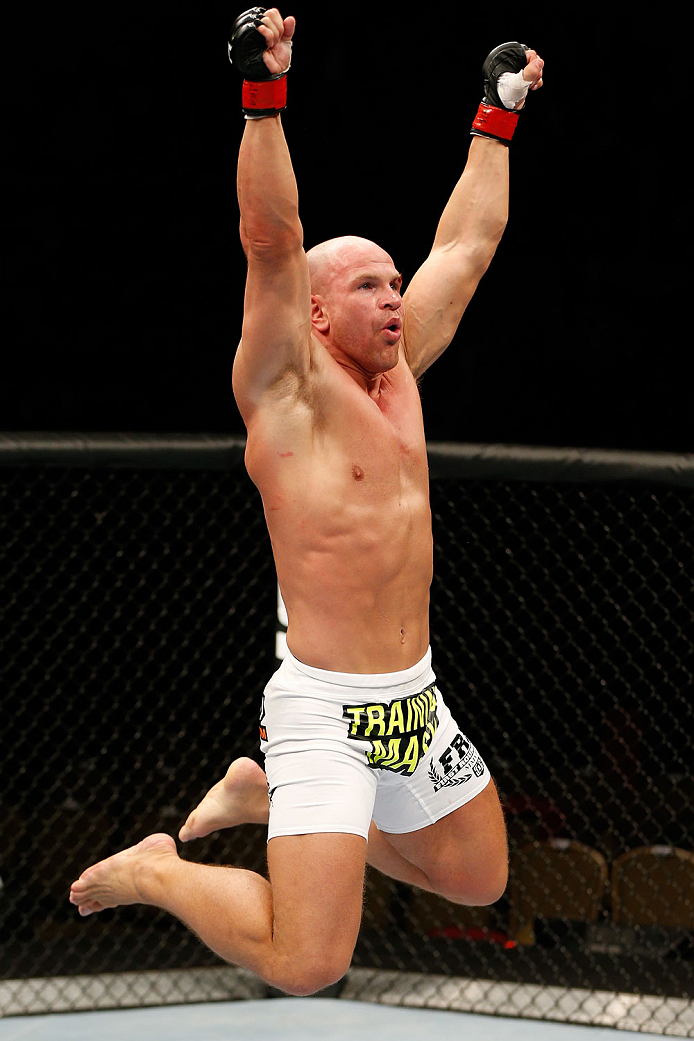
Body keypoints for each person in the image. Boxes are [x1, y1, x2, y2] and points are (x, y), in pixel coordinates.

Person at [70, 8, 544, 997]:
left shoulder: (402, 369)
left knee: (477, 876)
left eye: (393, 283)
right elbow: (270, 238)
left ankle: (259, 796)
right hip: (323, 710)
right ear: (316, 312)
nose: (392, 297)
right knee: (307, 963)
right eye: (369, 285)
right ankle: (162, 868)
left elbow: (469, 241)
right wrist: (264, 97)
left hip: (411, 695)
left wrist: (494, 118)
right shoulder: (285, 391)